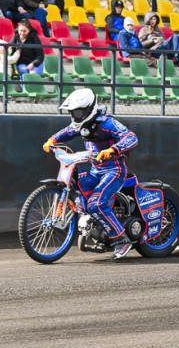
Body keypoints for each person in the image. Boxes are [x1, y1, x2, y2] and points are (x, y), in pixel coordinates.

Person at [41, 89, 139, 259]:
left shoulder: (107, 123)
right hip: (96, 171)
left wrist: (113, 149)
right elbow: (67, 131)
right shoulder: (81, 125)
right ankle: (93, 228)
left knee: (96, 204)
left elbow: (131, 138)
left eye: (79, 112)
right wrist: (52, 140)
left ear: (89, 109)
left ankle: (122, 239)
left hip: (114, 171)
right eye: (73, 112)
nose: (76, 116)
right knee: (75, 185)